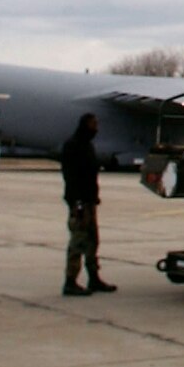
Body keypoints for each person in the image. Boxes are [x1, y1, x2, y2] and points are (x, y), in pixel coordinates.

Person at [61, 112, 116, 296]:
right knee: (78, 241)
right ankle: (70, 281)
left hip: (89, 201)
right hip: (80, 202)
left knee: (93, 240)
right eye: (93, 124)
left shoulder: (87, 146)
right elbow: (70, 176)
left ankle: (94, 277)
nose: (96, 128)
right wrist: (76, 202)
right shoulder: (74, 146)